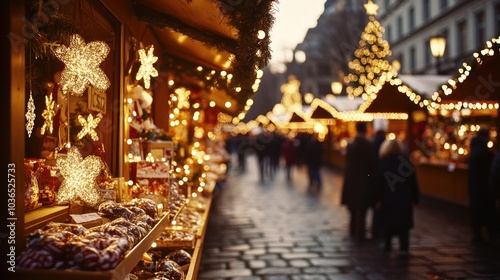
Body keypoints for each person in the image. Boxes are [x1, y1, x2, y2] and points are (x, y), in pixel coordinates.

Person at [374, 139, 419, 258]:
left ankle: (388, 244)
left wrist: (377, 198)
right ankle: (404, 248)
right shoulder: (406, 162)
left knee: (388, 222)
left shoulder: (384, 162)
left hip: (388, 198)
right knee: (403, 225)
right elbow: (413, 182)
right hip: (404, 198)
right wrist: (416, 197)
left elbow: (379, 183)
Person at [341, 122, 377, 242]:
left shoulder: (351, 144)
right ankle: (360, 233)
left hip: (352, 179)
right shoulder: (368, 144)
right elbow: (372, 164)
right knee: (362, 208)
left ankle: (352, 230)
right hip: (363, 180)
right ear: (365, 129)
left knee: (353, 207)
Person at [467, 128, 495, 245]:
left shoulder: (474, 151)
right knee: (486, 210)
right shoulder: (484, 153)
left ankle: (477, 234)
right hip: (483, 187)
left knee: (476, 210)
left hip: (474, 186)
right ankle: (489, 234)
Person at [371, 129, 386, 240]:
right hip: (388, 181)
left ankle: (376, 228)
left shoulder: (372, 144)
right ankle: (382, 229)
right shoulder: (386, 145)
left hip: (375, 177)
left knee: (377, 205)